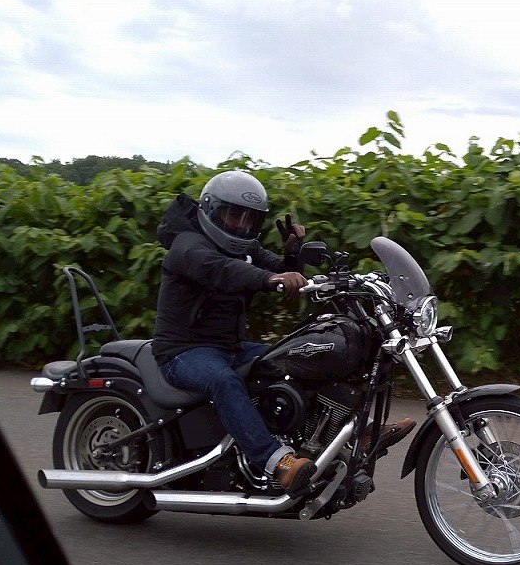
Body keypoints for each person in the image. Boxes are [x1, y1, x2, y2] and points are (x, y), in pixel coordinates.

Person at [152, 170, 413, 494]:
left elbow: (280, 271)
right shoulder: (188, 244)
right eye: (233, 215)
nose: (240, 225)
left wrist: (292, 254)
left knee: (302, 358)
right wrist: (269, 279)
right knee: (224, 381)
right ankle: (276, 461)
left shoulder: (246, 248)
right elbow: (225, 270)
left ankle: (358, 430)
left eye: (249, 219)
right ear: (210, 209)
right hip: (183, 351)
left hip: (230, 346)